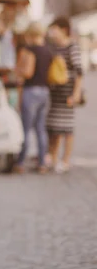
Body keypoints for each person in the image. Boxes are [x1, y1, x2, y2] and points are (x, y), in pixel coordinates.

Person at [12, 22, 53, 174]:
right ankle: (42, 162)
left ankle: (21, 161)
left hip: (31, 91)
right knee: (40, 129)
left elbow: (28, 73)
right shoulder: (48, 51)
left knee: (25, 128)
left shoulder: (29, 50)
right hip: (44, 91)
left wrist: (18, 69)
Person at [46, 17, 83, 173]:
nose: (52, 32)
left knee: (67, 128)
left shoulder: (72, 47)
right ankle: (52, 157)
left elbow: (79, 72)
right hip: (55, 92)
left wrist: (76, 93)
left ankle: (65, 160)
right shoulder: (53, 47)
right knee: (54, 127)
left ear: (63, 30)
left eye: (55, 29)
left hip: (67, 92)